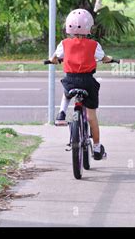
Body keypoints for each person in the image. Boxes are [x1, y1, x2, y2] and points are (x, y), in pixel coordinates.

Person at [48, 9, 112, 160]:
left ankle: (61, 114)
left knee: (66, 92)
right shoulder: (94, 45)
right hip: (88, 82)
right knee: (91, 117)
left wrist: (54, 60)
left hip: (71, 80)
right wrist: (109, 59)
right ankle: (97, 148)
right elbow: (103, 58)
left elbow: (54, 58)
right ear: (89, 27)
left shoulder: (63, 44)